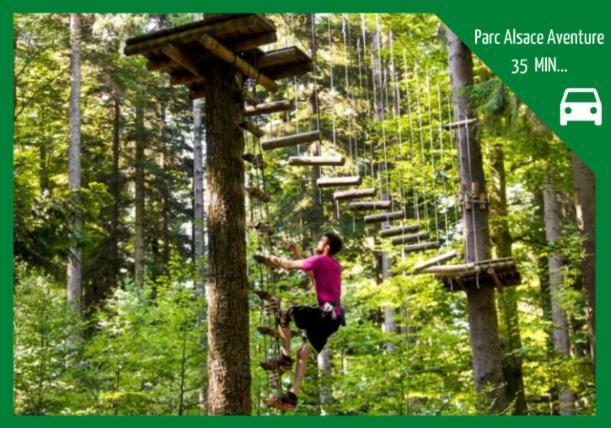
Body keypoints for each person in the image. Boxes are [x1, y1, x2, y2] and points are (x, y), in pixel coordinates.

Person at [257, 232, 345, 410]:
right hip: (334, 318)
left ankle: (284, 359)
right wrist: (298, 254)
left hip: (325, 313)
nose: (318, 241)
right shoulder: (334, 265)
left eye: (321, 240)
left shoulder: (321, 260)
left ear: (327, 247)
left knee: (284, 315)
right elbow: (312, 275)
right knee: (304, 353)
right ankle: (291, 398)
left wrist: (270, 258)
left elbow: (289, 266)